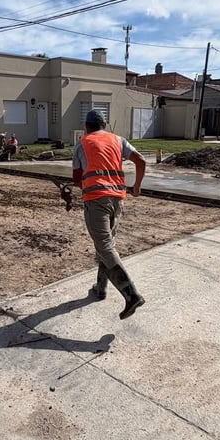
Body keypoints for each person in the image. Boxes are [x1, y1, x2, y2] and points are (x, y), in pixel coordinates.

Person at [72, 110, 147, 319]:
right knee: (107, 246)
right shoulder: (118, 140)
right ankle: (100, 288)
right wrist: (137, 187)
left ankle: (131, 295)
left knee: (104, 246)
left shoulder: (81, 144)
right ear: (104, 125)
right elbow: (141, 161)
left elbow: (77, 179)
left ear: (86, 127)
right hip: (117, 199)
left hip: (96, 200)